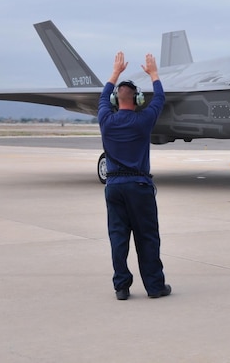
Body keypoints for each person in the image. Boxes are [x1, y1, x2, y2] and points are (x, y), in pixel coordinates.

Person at [97, 51, 170, 301]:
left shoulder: (106, 120)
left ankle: (121, 287)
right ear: (138, 100)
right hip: (139, 186)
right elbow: (160, 98)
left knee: (118, 237)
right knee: (147, 236)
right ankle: (154, 286)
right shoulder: (144, 121)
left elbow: (102, 98)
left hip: (114, 187)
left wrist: (115, 73)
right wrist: (154, 74)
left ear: (117, 100)